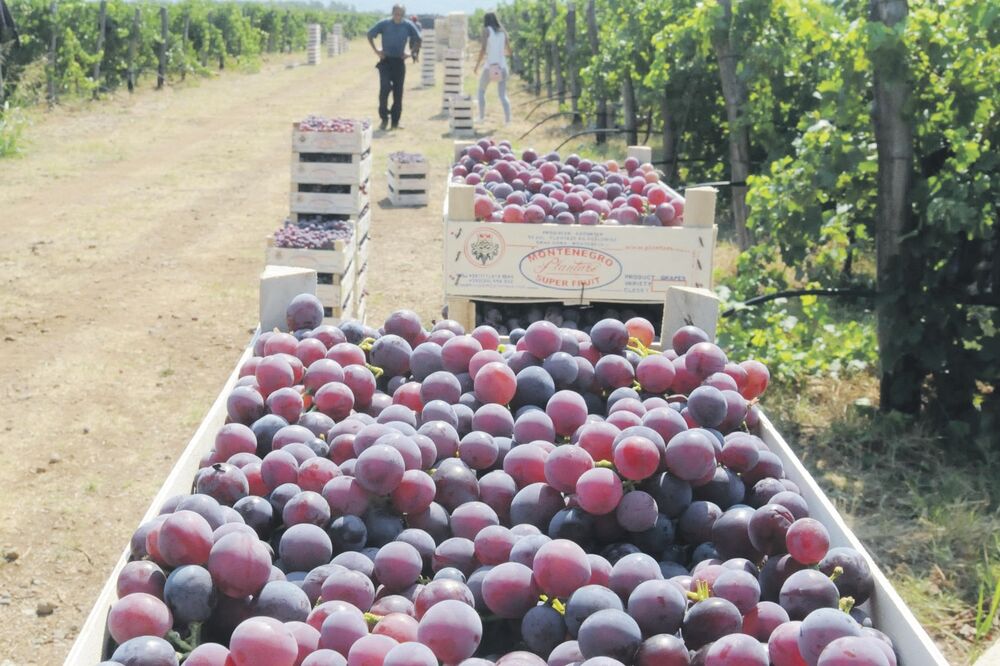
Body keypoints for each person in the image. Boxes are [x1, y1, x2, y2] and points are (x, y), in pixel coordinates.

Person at [367, 4, 421, 131]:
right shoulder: (384, 23)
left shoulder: (408, 25)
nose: (398, 16)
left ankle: (395, 121)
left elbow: (418, 39)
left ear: (403, 14)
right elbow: (370, 34)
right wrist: (376, 51)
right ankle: (384, 118)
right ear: (392, 13)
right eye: (396, 13)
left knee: (398, 91)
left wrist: (410, 52)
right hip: (385, 61)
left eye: (401, 14)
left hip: (399, 61)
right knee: (385, 88)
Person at [472, 12, 512, 125]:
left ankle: (481, 117)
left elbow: (483, 49)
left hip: (490, 67)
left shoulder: (486, 30)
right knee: (503, 95)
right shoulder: (503, 32)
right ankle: (508, 120)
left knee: (481, 91)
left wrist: (476, 66)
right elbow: (509, 51)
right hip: (502, 67)